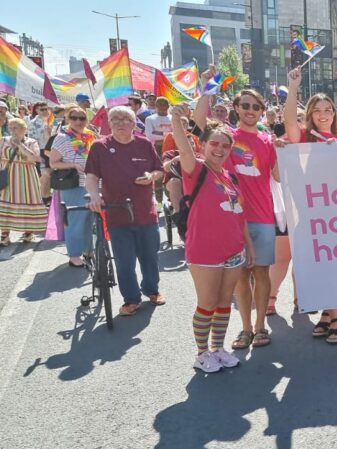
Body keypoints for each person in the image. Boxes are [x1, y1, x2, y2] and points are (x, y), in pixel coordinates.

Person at [195, 65, 279, 349]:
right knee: (241, 276)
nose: (250, 110)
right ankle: (245, 329)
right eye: (245, 105)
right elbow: (198, 120)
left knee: (262, 272)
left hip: (263, 216)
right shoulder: (225, 136)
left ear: (261, 110)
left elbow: (279, 175)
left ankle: (260, 327)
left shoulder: (269, 140)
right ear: (236, 107)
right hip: (233, 219)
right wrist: (208, 85)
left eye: (256, 106)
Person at [169, 105, 251, 373]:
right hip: (204, 251)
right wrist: (176, 120)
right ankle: (202, 353)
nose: (219, 149)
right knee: (207, 303)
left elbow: (241, 217)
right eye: (214, 143)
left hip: (234, 250)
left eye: (225, 146)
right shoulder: (197, 170)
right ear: (203, 145)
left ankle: (218, 348)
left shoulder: (230, 177)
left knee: (224, 303)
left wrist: (248, 247)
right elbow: (183, 150)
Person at [280, 67, 337, 343]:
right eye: (318, 110)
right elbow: (288, 124)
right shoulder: (305, 139)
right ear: (310, 114)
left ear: (334, 115)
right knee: (318, 263)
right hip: (311, 210)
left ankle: (334, 317)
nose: (323, 114)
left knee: (334, 263)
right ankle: (327, 314)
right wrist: (293, 87)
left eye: (328, 110)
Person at [83, 106, 166, 315]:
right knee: (124, 260)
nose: (121, 123)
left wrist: (151, 176)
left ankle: (151, 290)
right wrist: (94, 196)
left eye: (126, 119)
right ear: (109, 123)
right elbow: (91, 177)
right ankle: (131, 299)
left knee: (150, 256)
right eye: (116, 119)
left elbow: (159, 170)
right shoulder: (100, 147)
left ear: (133, 123)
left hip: (146, 212)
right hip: (116, 212)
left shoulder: (144, 144)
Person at [48, 105, 97, 267]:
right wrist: (73, 165)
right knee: (76, 219)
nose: (78, 121)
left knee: (91, 219)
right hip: (73, 184)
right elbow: (53, 163)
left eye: (82, 118)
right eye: (74, 118)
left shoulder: (91, 135)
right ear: (67, 119)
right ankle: (74, 255)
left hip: (93, 182)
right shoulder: (62, 137)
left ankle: (88, 250)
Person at [0, 119, 47, 244]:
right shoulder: (3, 140)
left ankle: (28, 232)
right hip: (8, 174)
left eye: (16, 127)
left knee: (28, 200)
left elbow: (35, 158)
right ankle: (4, 235)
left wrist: (20, 145)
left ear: (24, 129)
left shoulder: (31, 142)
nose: (13, 130)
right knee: (5, 202)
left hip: (27, 176)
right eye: (11, 127)